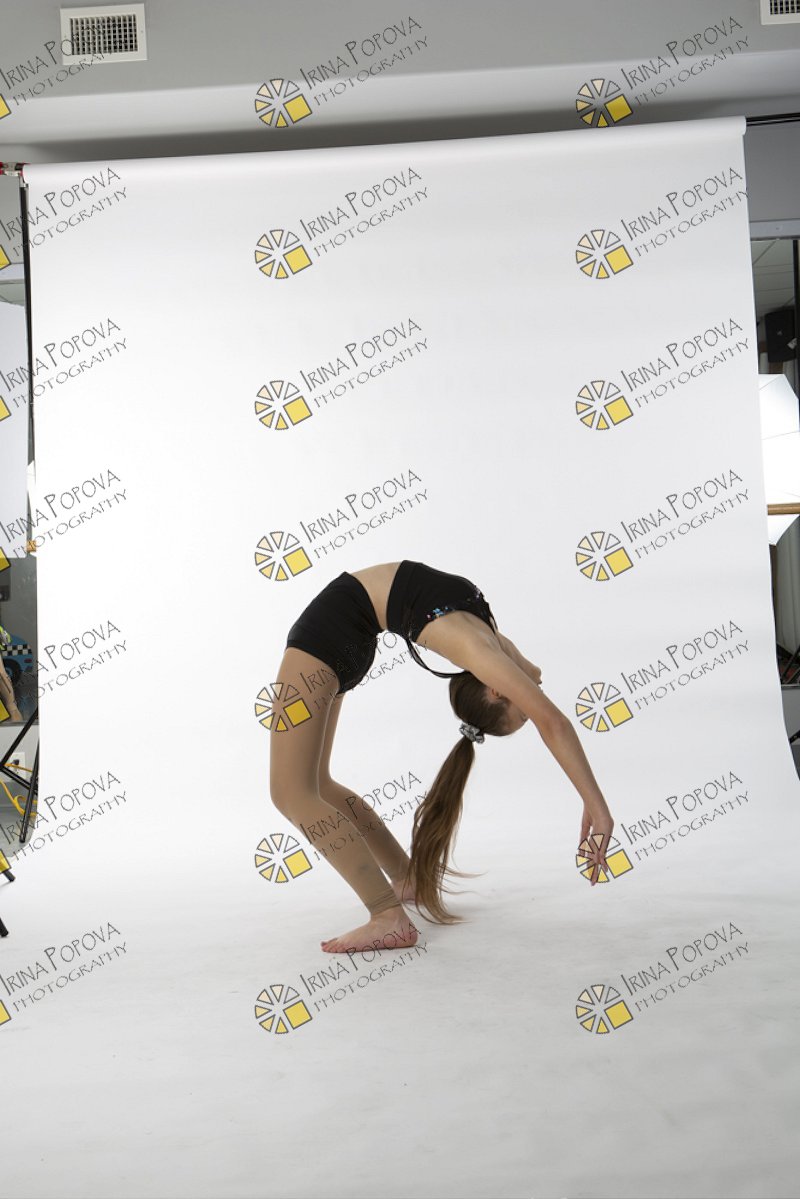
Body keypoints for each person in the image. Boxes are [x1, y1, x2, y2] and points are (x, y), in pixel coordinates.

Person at [268, 560, 614, 955]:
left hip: (329, 636)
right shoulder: (486, 646)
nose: (531, 697)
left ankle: (387, 916)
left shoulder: (480, 646)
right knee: (316, 785)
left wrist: (594, 804)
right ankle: (407, 879)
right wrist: (597, 809)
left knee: (291, 793)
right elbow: (546, 705)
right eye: (523, 712)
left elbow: (548, 715)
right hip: (342, 635)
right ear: (497, 689)